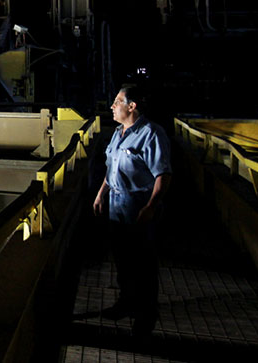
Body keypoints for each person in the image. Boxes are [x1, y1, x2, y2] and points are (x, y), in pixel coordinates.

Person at [92, 85, 172, 338]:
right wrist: (101, 194)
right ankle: (125, 302)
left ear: (132, 106)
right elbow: (111, 167)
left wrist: (150, 207)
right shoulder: (118, 133)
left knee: (143, 261)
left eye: (117, 101)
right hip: (116, 202)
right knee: (122, 258)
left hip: (138, 203)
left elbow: (163, 175)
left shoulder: (151, 134)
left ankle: (146, 315)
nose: (112, 106)